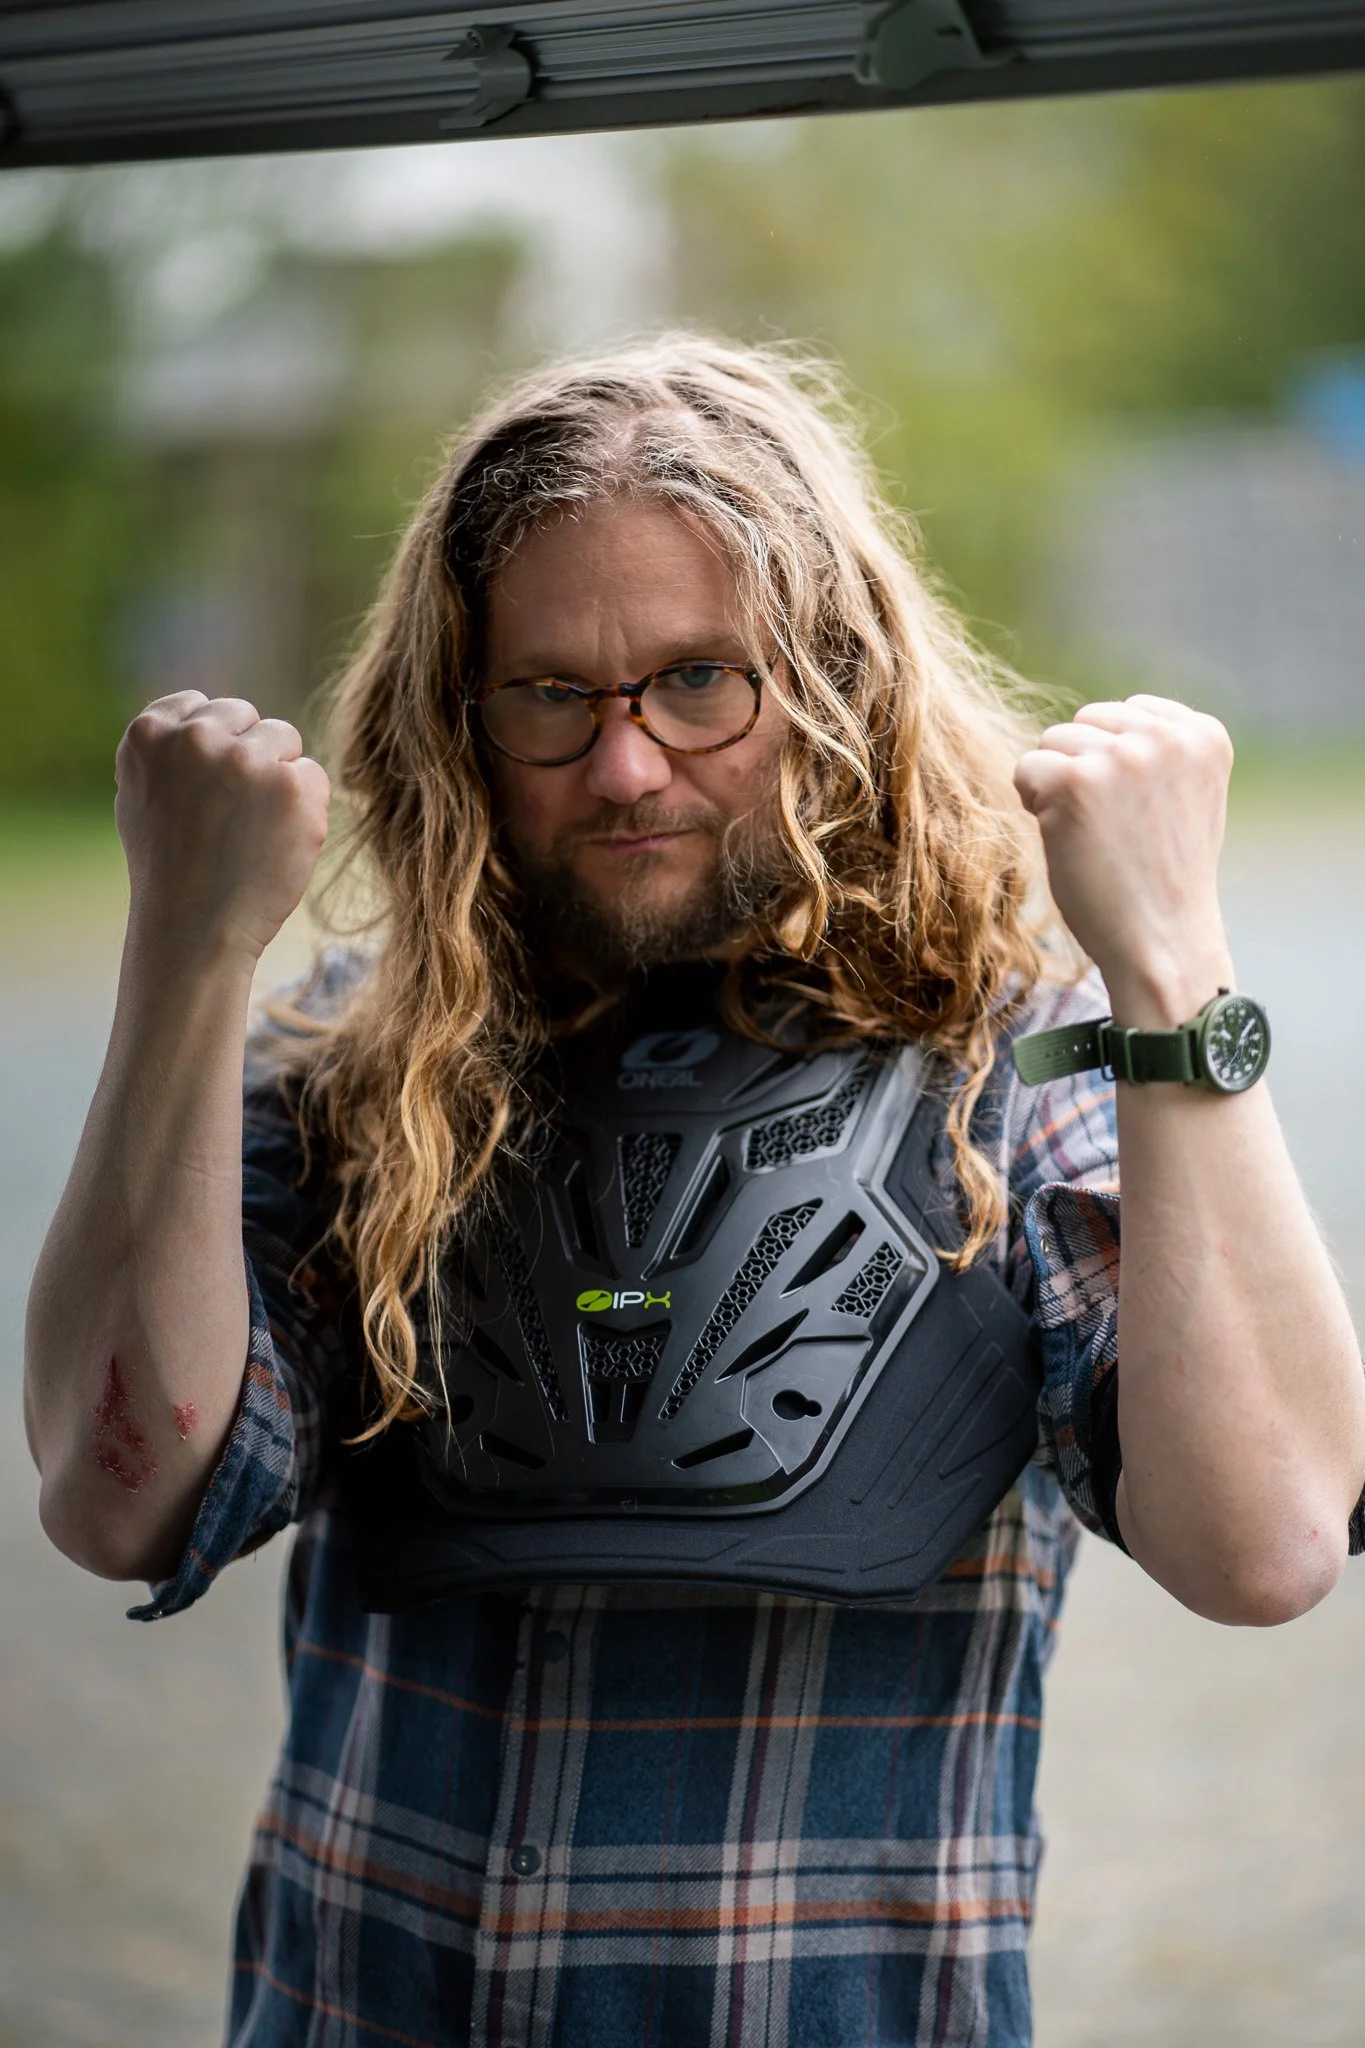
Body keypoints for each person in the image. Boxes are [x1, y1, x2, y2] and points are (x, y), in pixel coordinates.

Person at [24, 334, 1365, 2048]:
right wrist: (186, 959)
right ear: (463, 714)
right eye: (551, 696)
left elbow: (1265, 1546)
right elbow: (115, 1498)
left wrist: (1171, 966)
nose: (628, 763)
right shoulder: (357, 1066)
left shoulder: (1019, 1069)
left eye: (699, 681)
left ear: (830, 677)